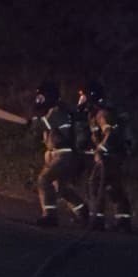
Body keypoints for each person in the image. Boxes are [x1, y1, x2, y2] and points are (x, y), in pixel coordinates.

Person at [27, 81, 87, 227]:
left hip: (63, 154)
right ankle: (82, 212)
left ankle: (50, 216)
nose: (38, 100)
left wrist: (31, 122)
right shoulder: (61, 110)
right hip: (63, 154)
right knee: (61, 188)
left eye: (41, 97)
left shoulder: (56, 111)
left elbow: (42, 125)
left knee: (44, 180)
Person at [79, 81, 133, 232]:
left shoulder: (102, 114)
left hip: (109, 157)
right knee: (113, 186)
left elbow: (109, 133)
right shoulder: (96, 114)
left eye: (83, 97)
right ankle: (123, 221)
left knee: (95, 184)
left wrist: (100, 150)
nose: (81, 100)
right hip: (114, 156)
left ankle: (97, 220)